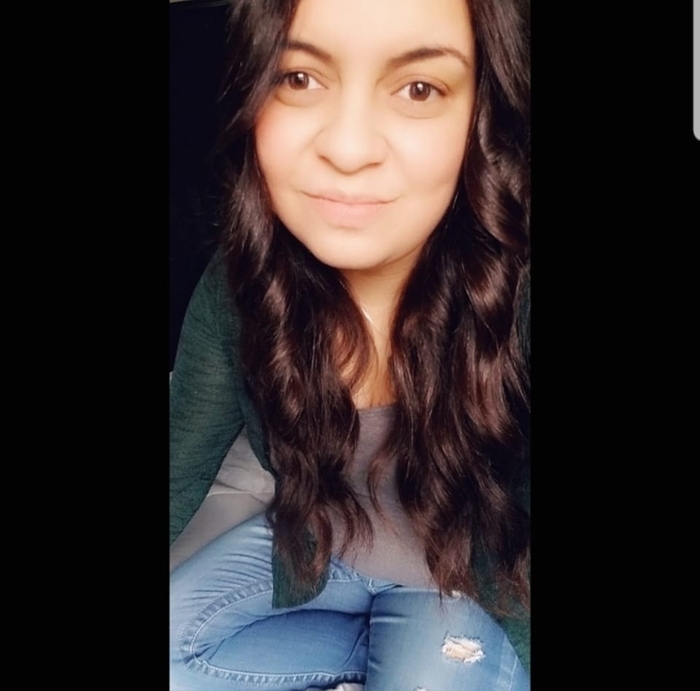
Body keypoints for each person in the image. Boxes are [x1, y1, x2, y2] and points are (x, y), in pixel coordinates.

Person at [169, 0, 530, 688]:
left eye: (419, 88)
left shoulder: (517, 288)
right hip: (318, 553)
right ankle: (368, 657)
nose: (348, 147)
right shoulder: (241, 281)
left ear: (480, 115)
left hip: (460, 583)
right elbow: (178, 464)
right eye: (299, 78)